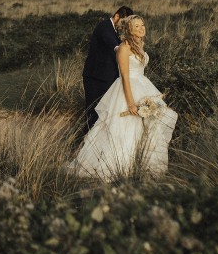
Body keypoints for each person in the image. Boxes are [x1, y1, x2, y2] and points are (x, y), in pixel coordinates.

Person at [70, 15, 177, 180]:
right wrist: (131, 103)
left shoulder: (140, 46)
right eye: (137, 26)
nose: (142, 28)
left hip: (143, 85)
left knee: (154, 123)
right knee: (126, 128)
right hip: (127, 90)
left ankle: (144, 166)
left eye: (142, 25)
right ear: (129, 30)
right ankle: (120, 168)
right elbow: (125, 77)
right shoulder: (123, 48)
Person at [80, 5, 133, 139]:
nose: (123, 26)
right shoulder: (104, 26)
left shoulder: (115, 30)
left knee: (103, 111)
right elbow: (111, 43)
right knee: (93, 111)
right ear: (116, 16)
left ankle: (97, 140)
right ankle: (84, 142)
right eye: (123, 22)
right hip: (95, 77)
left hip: (107, 77)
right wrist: (120, 50)